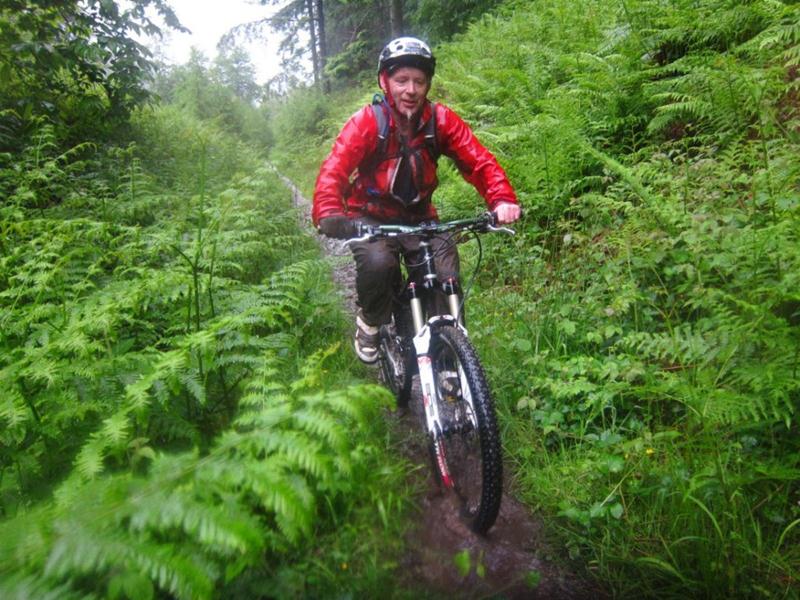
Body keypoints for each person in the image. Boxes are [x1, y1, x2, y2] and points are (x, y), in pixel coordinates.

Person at [313, 36, 520, 363]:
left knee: (444, 271)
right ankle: (371, 321)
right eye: (402, 80)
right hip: (371, 217)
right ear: (386, 81)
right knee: (379, 264)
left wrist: (502, 199)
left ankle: (451, 360)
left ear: (427, 85)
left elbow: (478, 160)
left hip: (420, 218)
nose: (411, 89)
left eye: (419, 81)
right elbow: (334, 168)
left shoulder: (440, 120)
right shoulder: (368, 122)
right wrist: (329, 212)